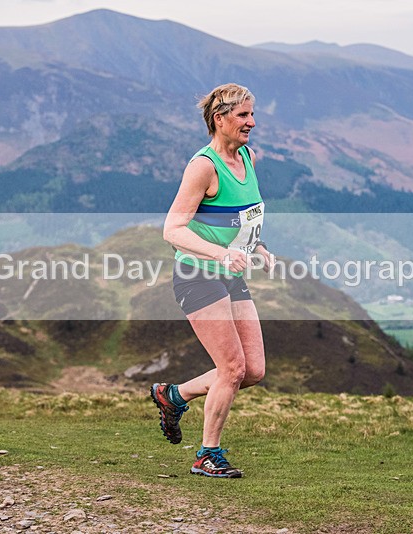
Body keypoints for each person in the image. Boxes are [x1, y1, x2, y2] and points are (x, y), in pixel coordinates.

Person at [151, 83, 274, 478]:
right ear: (219, 119)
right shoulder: (203, 166)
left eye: (252, 115)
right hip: (198, 275)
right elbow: (173, 228)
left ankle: (175, 395)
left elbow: (239, 218)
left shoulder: (248, 158)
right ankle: (207, 454)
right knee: (232, 367)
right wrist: (220, 254)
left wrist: (257, 247)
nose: (251, 123)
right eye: (242, 116)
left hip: (230, 276)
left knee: (252, 370)